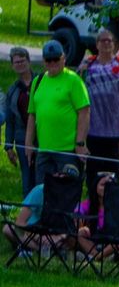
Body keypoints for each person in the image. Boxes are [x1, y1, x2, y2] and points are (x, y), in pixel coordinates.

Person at [77, 28, 119, 195]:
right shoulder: (89, 64)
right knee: (93, 172)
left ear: (114, 44)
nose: (106, 43)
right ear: (96, 44)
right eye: (102, 40)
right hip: (94, 127)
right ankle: (92, 209)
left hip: (116, 128)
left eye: (109, 40)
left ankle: (110, 208)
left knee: (112, 174)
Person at [25, 40, 91, 189]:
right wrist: (28, 143)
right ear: (44, 61)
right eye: (49, 60)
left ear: (63, 58)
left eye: (56, 59)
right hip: (44, 151)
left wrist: (80, 143)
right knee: (42, 192)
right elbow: (32, 115)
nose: (52, 63)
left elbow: (84, 112)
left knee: (65, 193)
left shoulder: (74, 80)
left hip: (67, 151)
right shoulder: (38, 81)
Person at [4, 46, 36, 195]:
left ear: (29, 61)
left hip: (43, 135)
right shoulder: (13, 91)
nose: (20, 64)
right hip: (22, 137)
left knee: (41, 174)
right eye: (16, 62)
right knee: (27, 175)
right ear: (12, 66)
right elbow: (10, 121)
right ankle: (27, 212)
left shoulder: (41, 82)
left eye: (22, 61)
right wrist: (8, 146)